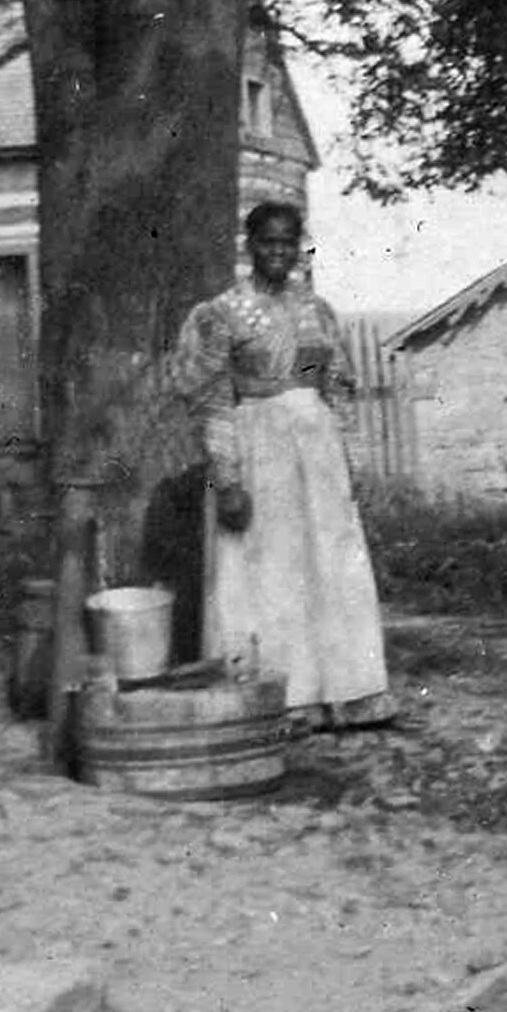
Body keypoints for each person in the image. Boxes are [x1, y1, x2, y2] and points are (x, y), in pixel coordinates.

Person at [174, 201, 399, 731]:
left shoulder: (316, 312)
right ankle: (285, 698)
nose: (277, 252)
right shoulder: (223, 313)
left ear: (299, 248)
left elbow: (336, 392)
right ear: (249, 245)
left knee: (330, 566)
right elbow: (212, 401)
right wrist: (227, 479)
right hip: (259, 448)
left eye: (287, 243)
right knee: (271, 571)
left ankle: (347, 692)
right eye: (267, 242)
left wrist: (353, 463)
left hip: (317, 453)